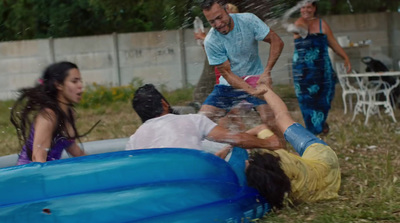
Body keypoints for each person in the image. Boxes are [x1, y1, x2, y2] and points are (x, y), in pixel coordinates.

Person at [235, 84, 341, 208]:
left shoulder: (280, 195)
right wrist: (234, 143)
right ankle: (265, 90)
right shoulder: (281, 157)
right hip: (324, 158)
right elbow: (261, 128)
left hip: (329, 181)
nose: (247, 161)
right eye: (250, 163)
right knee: (282, 118)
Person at [198, 0, 285, 138]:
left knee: (270, 120)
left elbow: (276, 41)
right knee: (201, 122)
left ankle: (285, 153)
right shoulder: (211, 41)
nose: (218, 24)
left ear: (226, 10)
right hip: (228, 85)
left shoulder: (248, 20)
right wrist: (249, 90)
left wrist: (267, 71)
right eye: (212, 22)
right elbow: (227, 74)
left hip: (255, 78)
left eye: (220, 17)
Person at [125, 84, 282, 153]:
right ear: (164, 103)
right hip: (198, 180)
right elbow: (236, 139)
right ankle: (259, 131)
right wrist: (268, 143)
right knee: (236, 153)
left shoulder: (134, 139)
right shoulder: (192, 120)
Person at [10, 61, 93, 165]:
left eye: (80, 81)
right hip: (30, 176)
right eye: (74, 81)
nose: (80, 85)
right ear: (58, 85)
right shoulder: (48, 116)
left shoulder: (69, 113)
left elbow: (74, 150)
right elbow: (38, 158)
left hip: (48, 173)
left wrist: (97, 165)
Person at [290, 0, 351, 134]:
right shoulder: (298, 23)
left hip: (323, 68)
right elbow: (302, 30)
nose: (306, 10)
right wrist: (304, 22)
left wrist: (345, 57)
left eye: (309, 7)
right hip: (303, 70)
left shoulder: (322, 24)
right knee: (307, 100)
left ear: (314, 8)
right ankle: (313, 130)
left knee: (326, 95)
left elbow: (333, 43)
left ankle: (320, 123)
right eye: (303, 8)